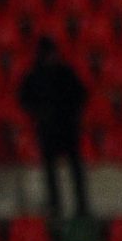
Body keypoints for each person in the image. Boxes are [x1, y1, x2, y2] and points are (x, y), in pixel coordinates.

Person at [16, 38, 89, 218]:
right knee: (51, 170)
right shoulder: (35, 75)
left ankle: (80, 204)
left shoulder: (64, 73)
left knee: (74, 168)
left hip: (66, 126)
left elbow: (81, 94)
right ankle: (56, 203)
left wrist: (73, 113)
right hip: (49, 127)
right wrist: (38, 113)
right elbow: (24, 99)